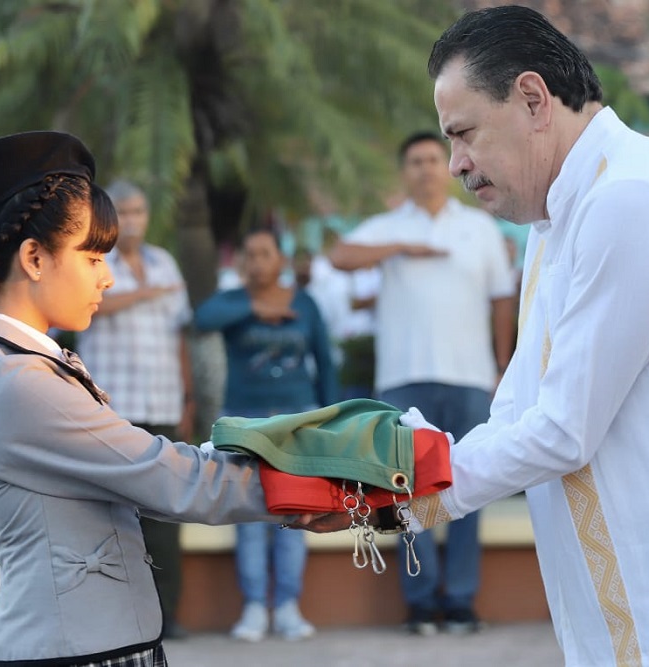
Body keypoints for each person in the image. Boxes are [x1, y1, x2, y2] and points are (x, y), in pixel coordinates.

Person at [304, 6, 649, 666]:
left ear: (533, 99)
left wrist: (395, 498)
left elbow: (562, 429)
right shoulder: (556, 217)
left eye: (464, 133)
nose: (457, 163)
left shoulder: (633, 196)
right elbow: (517, 409)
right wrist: (392, 476)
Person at [0, 131, 284, 666]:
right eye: (93, 257)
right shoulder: (19, 381)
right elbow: (174, 479)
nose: (108, 278)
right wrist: (329, 486)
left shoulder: (22, 366)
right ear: (34, 258)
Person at [329, 131, 516, 636]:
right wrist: (400, 248)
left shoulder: (479, 226)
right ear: (404, 171)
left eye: (434, 159)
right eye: (415, 161)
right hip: (403, 380)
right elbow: (339, 256)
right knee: (402, 495)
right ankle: (419, 600)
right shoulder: (386, 227)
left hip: (470, 377)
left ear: (449, 166)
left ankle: (460, 600)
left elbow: (502, 299)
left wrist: (502, 366)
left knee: (471, 487)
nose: (427, 168)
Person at [195, 228, 338, 642]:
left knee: (296, 511)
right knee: (249, 513)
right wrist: (257, 306)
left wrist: (331, 421)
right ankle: (255, 606)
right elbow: (202, 319)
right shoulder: (232, 301)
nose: (257, 262)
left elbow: (325, 364)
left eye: (265, 254)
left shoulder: (305, 303)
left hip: (297, 420)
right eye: (250, 255)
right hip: (246, 422)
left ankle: (289, 606)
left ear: (281, 260)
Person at [75, 179, 194, 640]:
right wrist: (144, 294)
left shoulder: (164, 262)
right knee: (111, 515)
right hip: (113, 408)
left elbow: (180, 334)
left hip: (162, 401)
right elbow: (90, 309)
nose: (133, 220)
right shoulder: (92, 259)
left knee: (165, 511)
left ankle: (167, 615)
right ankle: (117, 619)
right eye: (124, 211)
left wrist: (187, 397)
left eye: (140, 210)